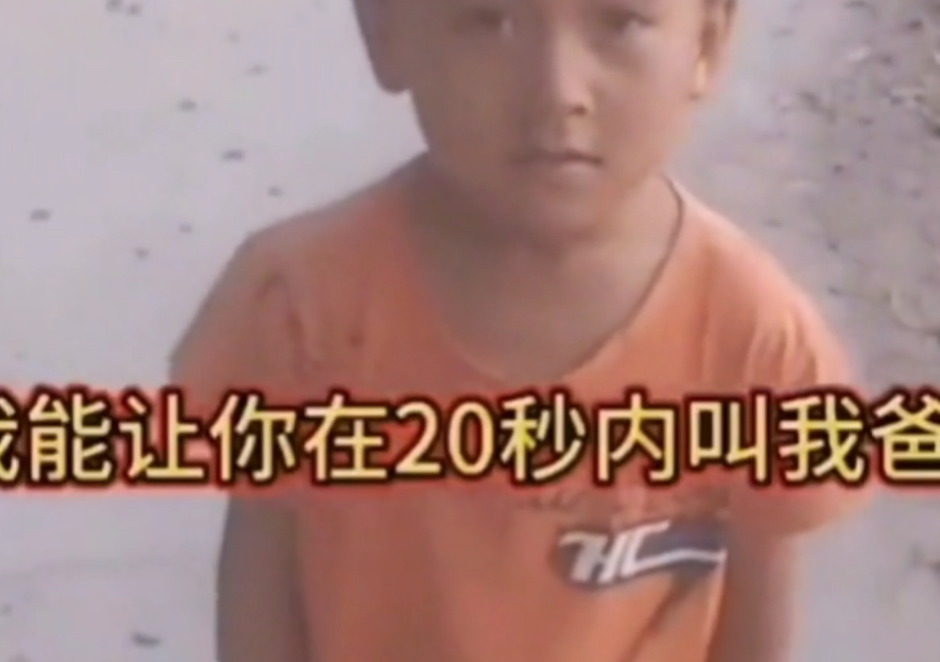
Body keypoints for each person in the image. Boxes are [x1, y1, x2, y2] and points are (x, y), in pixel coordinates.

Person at [170, 1, 871, 661]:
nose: (556, 90)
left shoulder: (754, 341)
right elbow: (260, 589)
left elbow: (755, 624)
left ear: (708, 40)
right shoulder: (297, 309)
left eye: (619, 22)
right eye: (490, 20)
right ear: (385, 31)